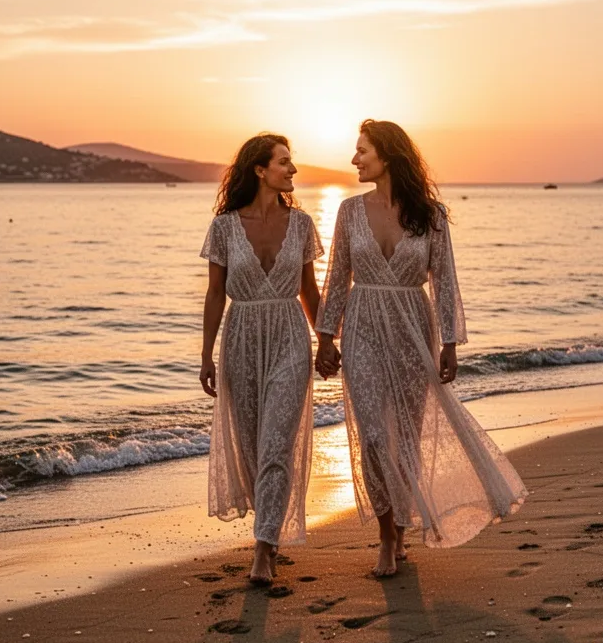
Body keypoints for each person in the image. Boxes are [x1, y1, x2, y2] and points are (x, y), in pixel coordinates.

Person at [315, 119, 527, 577]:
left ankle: (400, 532)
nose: (354, 159)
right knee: (374, 437)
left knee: (407, 438)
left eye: (362, 151)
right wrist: (326, 336)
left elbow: (445, 280)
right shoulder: (349, 211)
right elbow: (337, 276)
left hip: (414, 326)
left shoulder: (431, 215)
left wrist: (450, 342)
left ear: (388, 155)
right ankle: (386, 535)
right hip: (363, 325)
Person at [200, 133, 323, 585]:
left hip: (290, 337)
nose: (293, 169)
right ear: (259, 169)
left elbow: (310, 292)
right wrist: (206, 355)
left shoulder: (302, 224)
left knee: (276, 445)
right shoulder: (224, 227)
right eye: (284, 162)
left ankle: (264, 549)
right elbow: (215, 293)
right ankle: (267, 522)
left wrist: (328, 340)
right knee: (252, 446)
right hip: (240, 340)